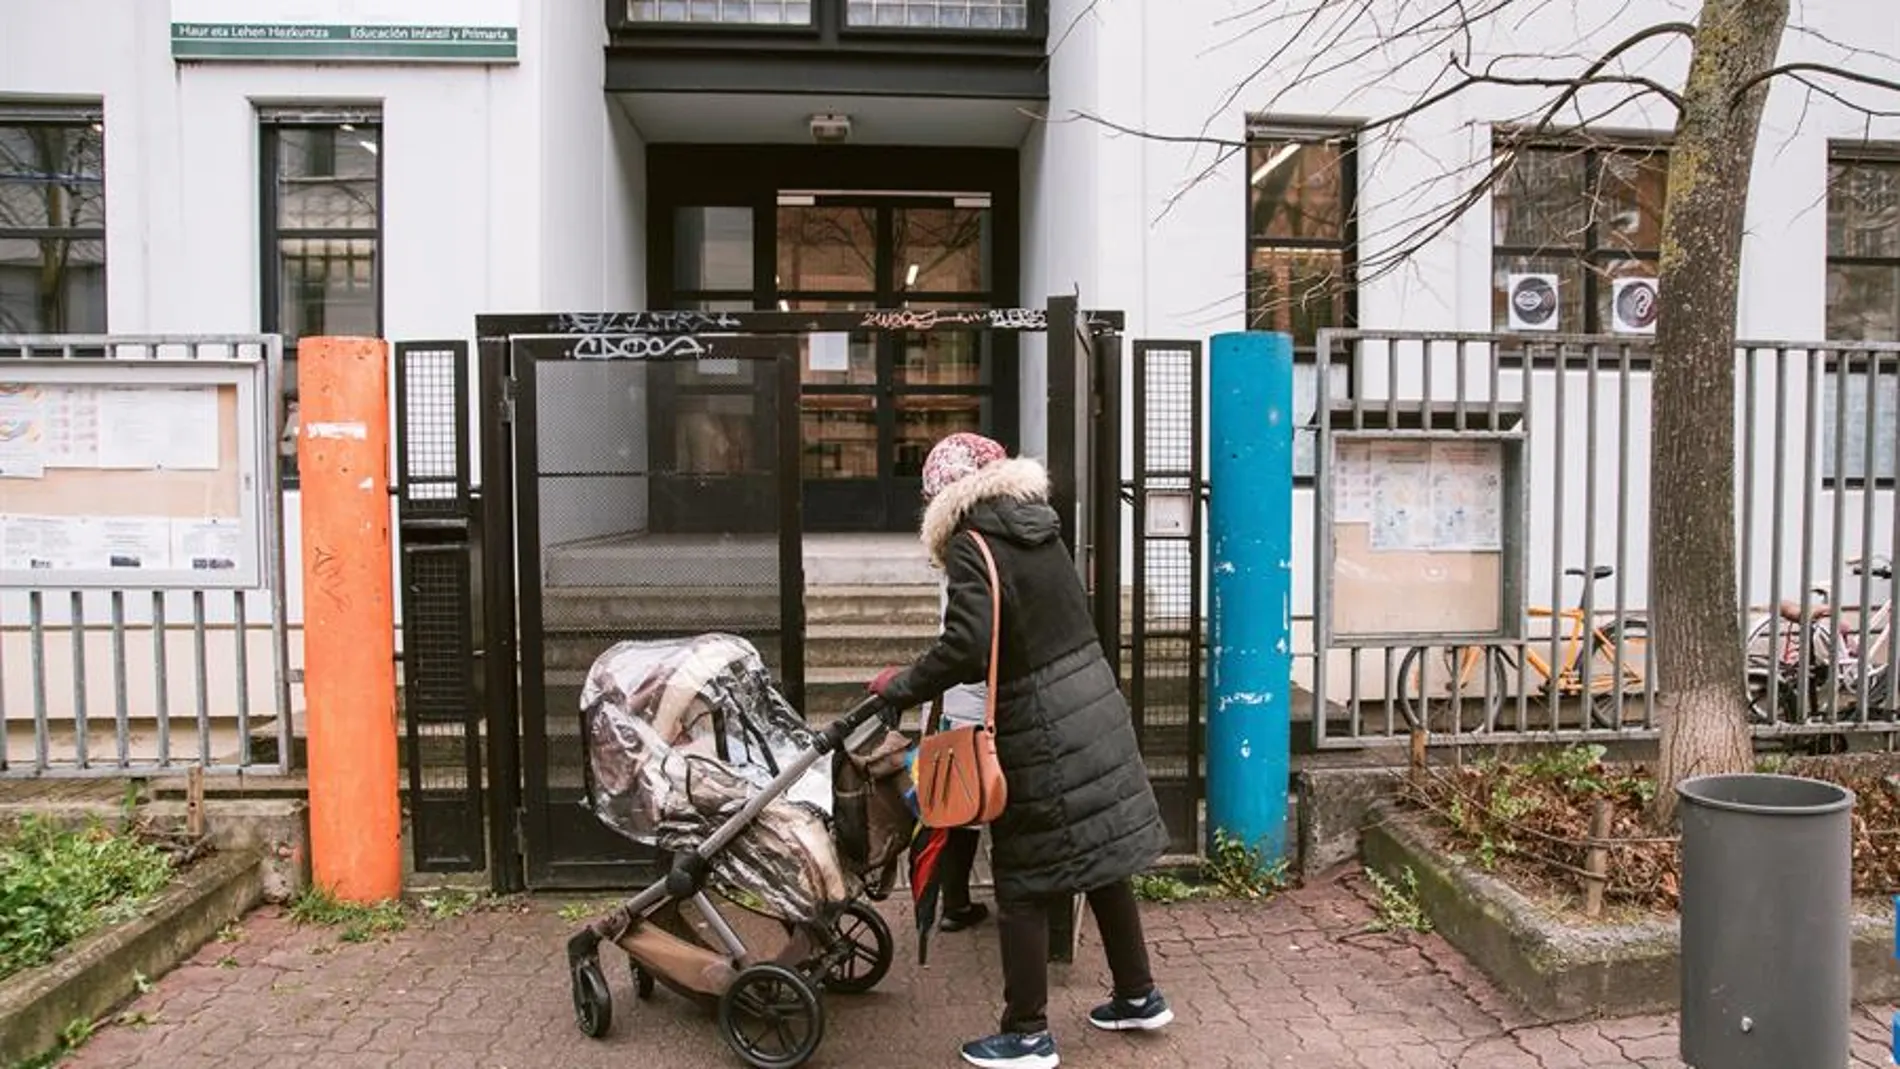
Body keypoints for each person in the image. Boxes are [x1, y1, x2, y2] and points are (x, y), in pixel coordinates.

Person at [869, 432, 1173, 1069]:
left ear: (942, 497)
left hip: (1040, 722)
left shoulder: (971, 544)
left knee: (1026, 882)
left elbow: (966, 647)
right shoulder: (1040, 527)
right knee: (1104, 862)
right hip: (1092, 703)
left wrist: (899, 684)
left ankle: (1027, 1034)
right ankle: (1139, 996)